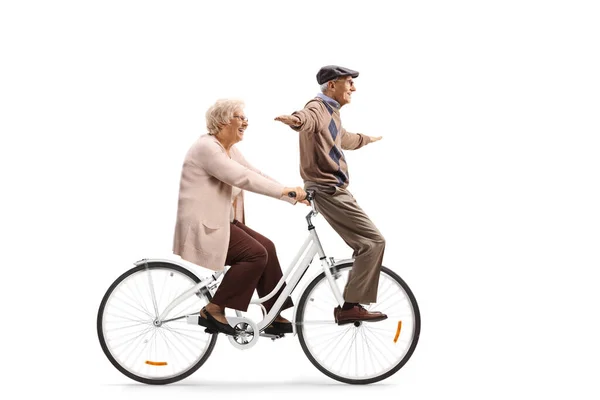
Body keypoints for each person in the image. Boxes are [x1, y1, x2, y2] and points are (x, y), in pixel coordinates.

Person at [173, 98, 307, 335]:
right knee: (254, 254)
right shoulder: (207, 148)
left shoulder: (229, 149)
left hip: (221, 222)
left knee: (268, 246)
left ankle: (273, 313)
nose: (246, 122)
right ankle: (213, 309)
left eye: (246, 118)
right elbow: (240, 177)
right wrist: (284, 192)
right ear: (224, 121)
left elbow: (253, 173)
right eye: (240, 117)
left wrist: (291, 194)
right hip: (203, 226)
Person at [275, 65, 388, 325]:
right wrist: (295, 120)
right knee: (373, 242)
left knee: (369, 243)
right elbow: (307, 118)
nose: (354, 88)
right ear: (332, 85)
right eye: (349, 82)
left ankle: (351, 303)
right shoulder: (317, 107)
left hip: (332, 189)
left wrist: (367, 139)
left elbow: (343, 138)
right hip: (328, 190)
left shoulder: (331, 112)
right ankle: (351, 306)